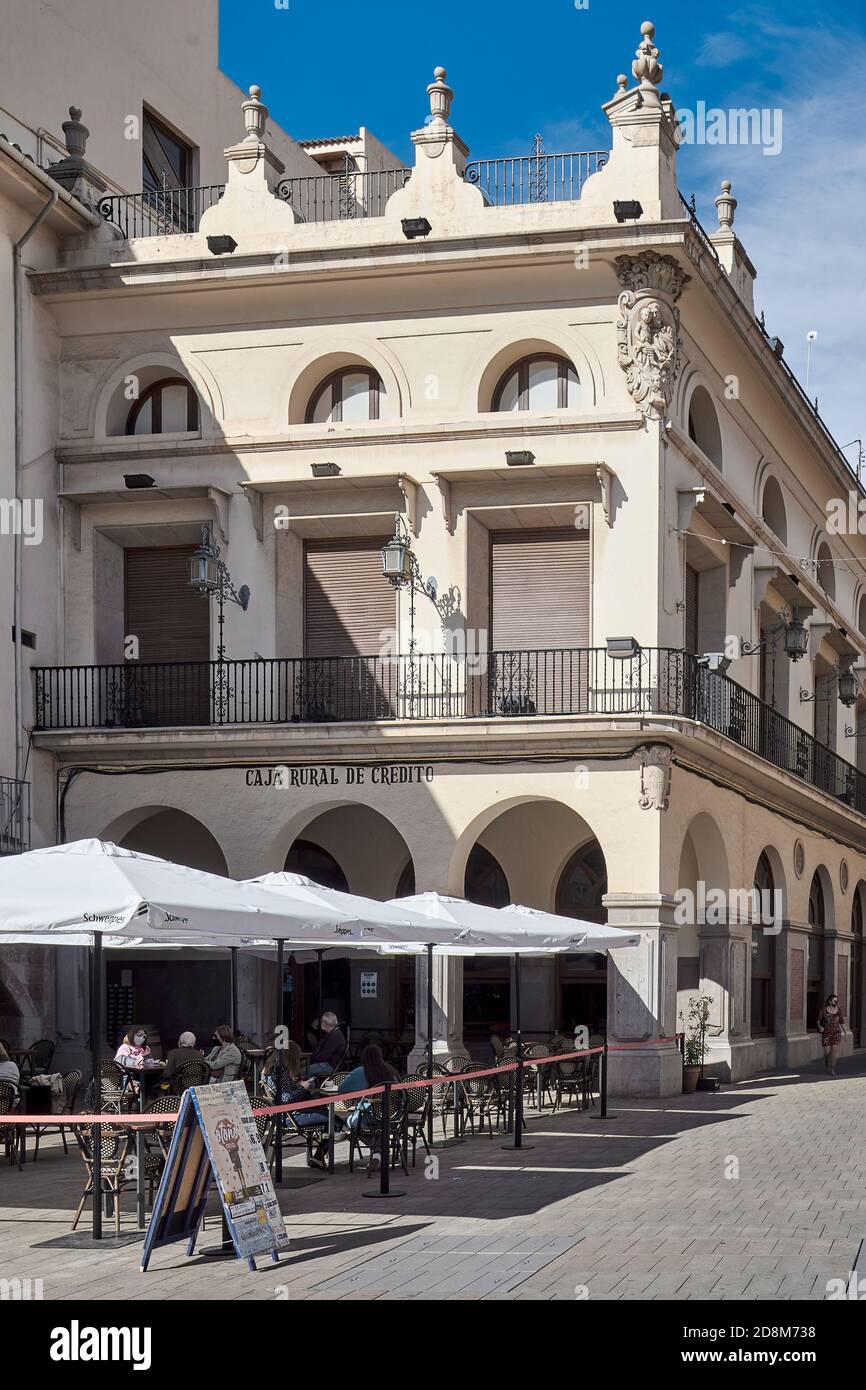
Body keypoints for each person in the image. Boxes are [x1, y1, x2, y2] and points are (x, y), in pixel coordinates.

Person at [262, 1040, 339, 1169]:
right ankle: (319, 1156)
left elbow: (284, 1093)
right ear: (291, 1057)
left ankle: (318, 1156)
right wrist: (303, 1088)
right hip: (290, 1117)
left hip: (284, 1114)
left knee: (327, 1114)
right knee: (334, 1121)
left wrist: (299, 1086)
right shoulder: (280, 1072)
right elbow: (287, 1098)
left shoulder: (270, 1069)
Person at [337, 1044, 399, 1169]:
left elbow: (342, 1089)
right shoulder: (392, 1071)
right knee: (378, 1128)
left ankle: (377, 1152)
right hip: (394, 1116)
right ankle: (378, 1154)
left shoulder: (361, 1072)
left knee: (352, 1123)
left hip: (370, 1117)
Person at [307, 1011, 347, 1078]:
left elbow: (323, 1056)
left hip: (330, 1065)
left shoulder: (334, 1036)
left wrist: (311, 1060)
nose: (320, 1024)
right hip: (328, 1063)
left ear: (326, 1024)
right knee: (304, 1067)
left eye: (322, 1022)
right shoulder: (333, 1033)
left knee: (303, 1071)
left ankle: (309, 1088)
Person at [818, 994, 844, 1076]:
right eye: (834, 1001)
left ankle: (832, 1068)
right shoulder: (824, 1010)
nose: (836, 1002)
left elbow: (842, 1022)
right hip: (826, 1033)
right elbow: (818, 1021)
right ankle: (827, 1062)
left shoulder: (838, 1010)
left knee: (834, 1052)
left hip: (836, 1033)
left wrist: (845, 1032)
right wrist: (820, 1027)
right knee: (826, 1052)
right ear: (830, 1001)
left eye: (837, 1001)